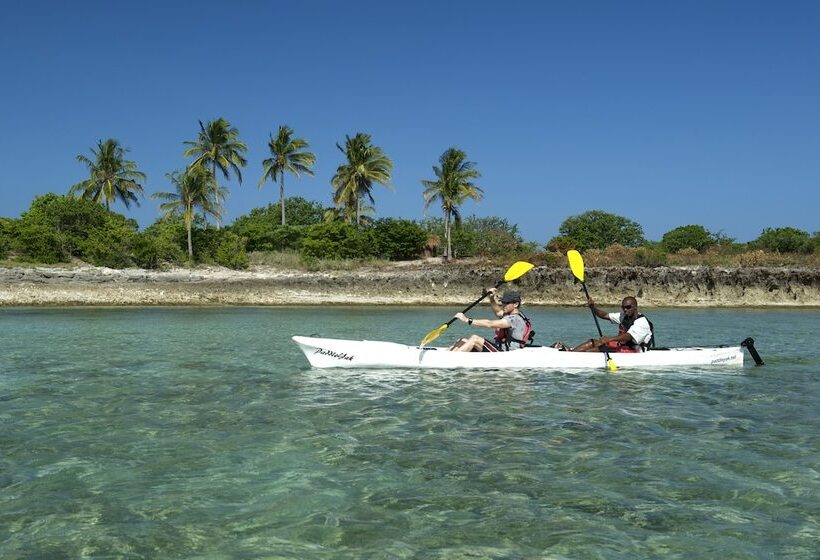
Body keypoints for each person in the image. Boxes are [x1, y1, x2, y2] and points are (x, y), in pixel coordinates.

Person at [555, 296, 654, 353]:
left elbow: (628, 337)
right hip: (624, 347)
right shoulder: (623, 316)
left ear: (635, 307)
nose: (625, 309)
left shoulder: (642, 322)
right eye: (623, 307)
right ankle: (572, 354)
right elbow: (605, 315)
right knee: (593, 342)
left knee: (599, 348)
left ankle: (577, 356)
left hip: (636, 351)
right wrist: (593, 308)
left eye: (628, 307)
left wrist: (609, 339)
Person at [450, 289, 534, 352]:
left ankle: (452, 360)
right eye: (503, 302)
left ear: (515, 304)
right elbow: (498, 312)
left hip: (506, 352)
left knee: (475, 338)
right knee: (462, 340)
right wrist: (491, 298)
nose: (503, 305)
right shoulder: (509, 314)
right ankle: (447, 355)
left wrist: (467, 320)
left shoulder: (515, 319)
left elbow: (490, 324)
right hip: (499, 347)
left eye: (506, 303)